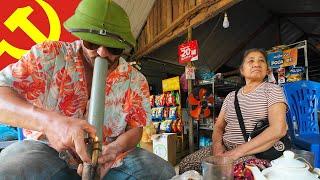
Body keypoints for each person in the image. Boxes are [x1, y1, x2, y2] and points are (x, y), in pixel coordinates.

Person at [0, 0, 175, 179]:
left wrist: (115, 149)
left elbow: (136, 128)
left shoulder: (135, 80)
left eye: (113, 47)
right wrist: (50, 123)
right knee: (10, 168)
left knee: (162, 171)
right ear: (80, 36)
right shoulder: (49, 55)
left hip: (108, 161)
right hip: (48, 153)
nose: (102, 53)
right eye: (92, 43)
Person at [179, 48, 288, 176]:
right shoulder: (231, 96)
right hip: (224, 147)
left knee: (236, 174)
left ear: (267, 69)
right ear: (242, 70)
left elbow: (278, 129)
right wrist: (217, 148)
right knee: (186, 165)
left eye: (261, 61)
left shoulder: (273, 90)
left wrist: (235, 153)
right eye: (251, 61)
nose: (257, 64)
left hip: (251, 151)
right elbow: (219, 126)